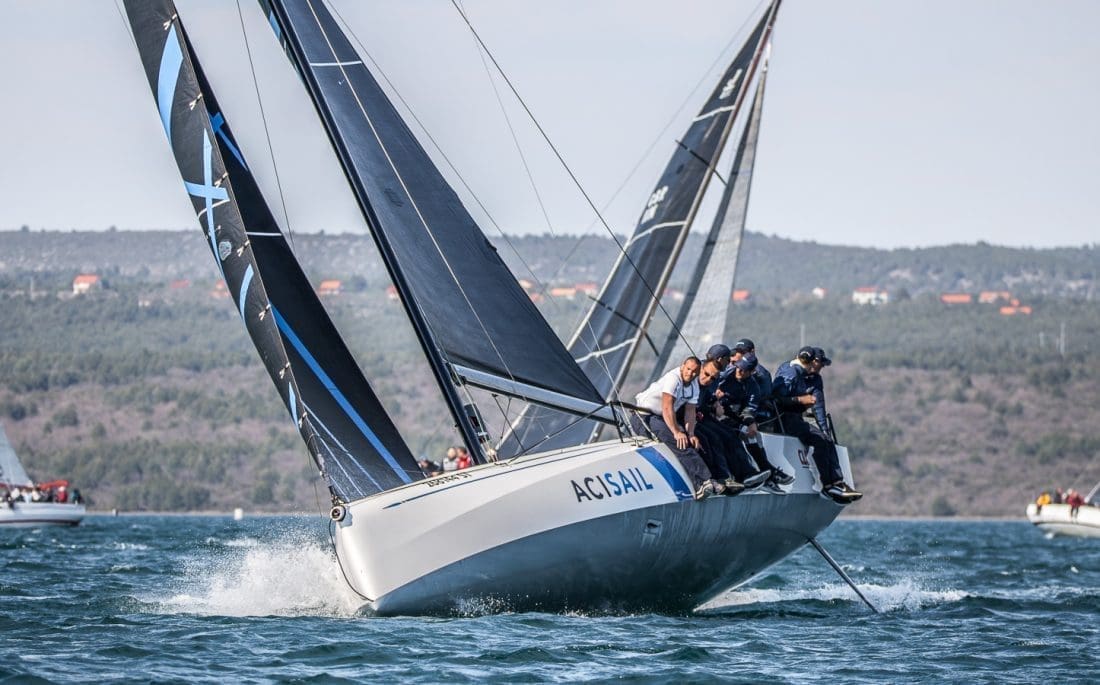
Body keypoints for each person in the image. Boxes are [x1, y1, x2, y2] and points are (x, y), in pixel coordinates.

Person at [773, 346, 862, 504]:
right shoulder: (790, 372)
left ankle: (837, 483)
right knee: (820, 441)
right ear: (813, 362)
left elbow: (819, 407)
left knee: (825, 439)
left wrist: (825, 430)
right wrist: (800, 400)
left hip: (795, 419)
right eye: (821, 364)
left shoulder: (813, 379)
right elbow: (777, 400)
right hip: (784, 419)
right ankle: (829, 485)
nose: (822, 368)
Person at [632, 356, 723, 499]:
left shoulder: (694, 385)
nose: (690, 374)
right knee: (679, 442)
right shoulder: (674, 379)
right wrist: (676, 431)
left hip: (661, 417)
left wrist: (691, 433)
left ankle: (710, 479)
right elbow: (667, 407)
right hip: (644, 416)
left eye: (694, 372)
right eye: (688, 369)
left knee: (695, 441)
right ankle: (701, 483)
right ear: (682, 367)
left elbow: (690, 411)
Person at [717, 353, 796, 491]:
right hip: (717, 414)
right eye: (739, 367)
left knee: (753, 434)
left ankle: (766, 473)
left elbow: (748, 410)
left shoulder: (753, 386)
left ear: (752, 371)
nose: (740, 371)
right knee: (735, 433)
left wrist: (750, 422)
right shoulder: (725, 375)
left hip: (732, 416)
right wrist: (715, 394)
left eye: (744, 370)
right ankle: (763, 472)